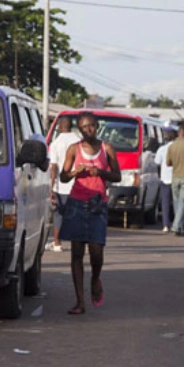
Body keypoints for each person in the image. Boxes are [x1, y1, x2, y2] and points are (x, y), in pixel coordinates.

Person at [59, 111, 121, 315]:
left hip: (97, 204)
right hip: (77, 202)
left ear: (97, 126)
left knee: (96, 251)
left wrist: (101, 172)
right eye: (84, 127)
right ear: (79, 129)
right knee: (77, 253)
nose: (88, 130)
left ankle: (95, 279)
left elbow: (117, 175)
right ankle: (80, 301)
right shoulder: (73, 149)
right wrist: (75, 172)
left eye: (92, 126)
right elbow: (64, 176)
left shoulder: (107, 148)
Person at [48, 116, 80, 252]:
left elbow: (53, 166)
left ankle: (57, 243)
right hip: (78, 185)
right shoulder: (79, 141)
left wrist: (51, 186)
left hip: (61, 186)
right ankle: (76, 244)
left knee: (58, 214)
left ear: (60, 127)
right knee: (76, 215)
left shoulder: (56, 143)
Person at [155, 126, 176, 233]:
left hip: (165, 178)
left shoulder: (162, 149)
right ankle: (177, 223)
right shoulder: (178, 148)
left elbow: (157, 163)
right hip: (177, 178)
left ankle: (166, 225)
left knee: (165, 202)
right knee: (177, 202)